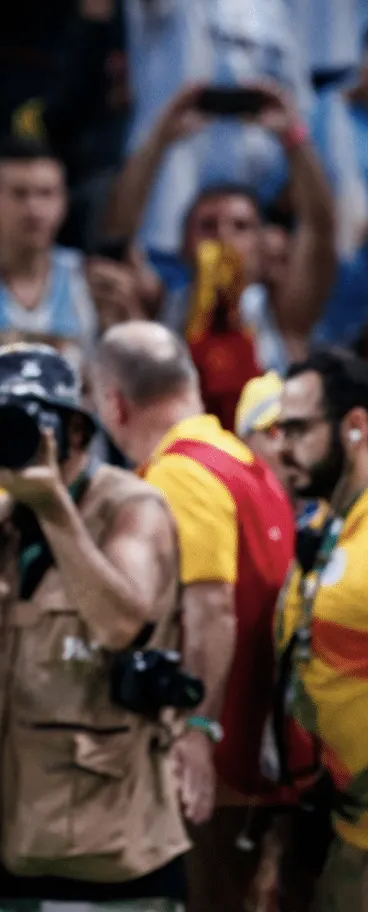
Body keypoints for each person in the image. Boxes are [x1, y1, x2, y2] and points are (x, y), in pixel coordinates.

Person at [0, 343, 189, 910]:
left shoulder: (132, 507)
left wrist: (55, 507)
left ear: (76, 433)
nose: (21, 439)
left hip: (105, 861)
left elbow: (119, 624)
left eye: (38, 424)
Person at [90, 322, 307, 912]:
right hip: (258, 756)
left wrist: (197, 731)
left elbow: (211, 608)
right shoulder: (243, 462)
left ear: (114, 404)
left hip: (211, 770)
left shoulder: (180, 475)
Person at [274, 348, 368, 911]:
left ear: (355, 426)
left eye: (298, 429)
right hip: (336, 828)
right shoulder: (324, 525)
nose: (283, 447)